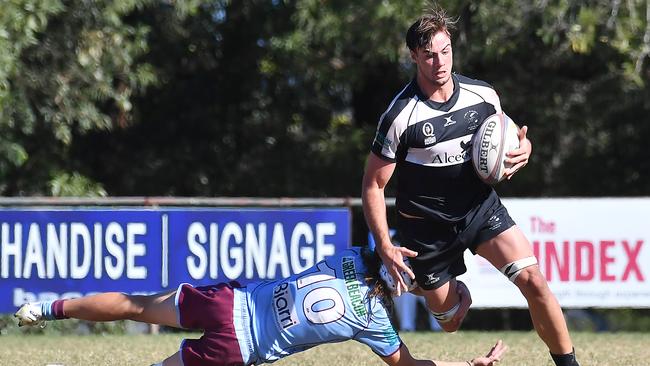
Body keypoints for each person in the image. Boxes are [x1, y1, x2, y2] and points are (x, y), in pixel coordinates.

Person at [361, 4, 580, 366]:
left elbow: (509, 138)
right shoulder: (400, 116)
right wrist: (385, 245)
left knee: (534, 282)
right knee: (450, 322)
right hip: (427, 230)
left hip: (480, 210)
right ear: (414, 56)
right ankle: (428, 285)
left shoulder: (483, 95)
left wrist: (525, 148)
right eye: (429, 55)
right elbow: (373, 184)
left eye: (445, 51)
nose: (440, 62)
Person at [15, 247, 507, 366]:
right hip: (237, 347)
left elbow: (388, 240)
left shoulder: (352, 256)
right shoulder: (374, 321)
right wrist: (467, 363)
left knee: (134, 305)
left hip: (229, 303)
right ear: (416, 291)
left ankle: (47, 309)